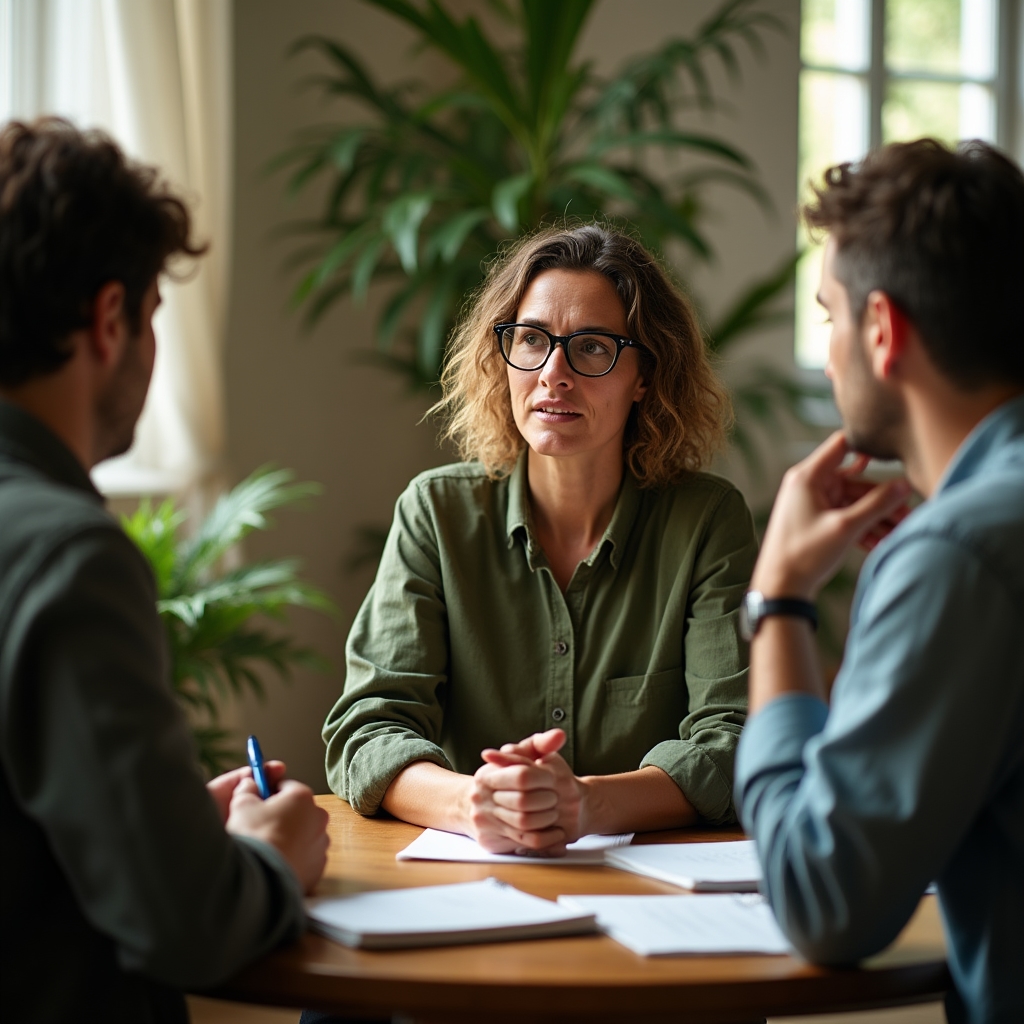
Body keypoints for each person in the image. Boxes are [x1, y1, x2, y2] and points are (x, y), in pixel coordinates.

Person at [0, 118, 329, 1024]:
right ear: (111, 320)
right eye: (152, 318)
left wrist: (173, 827)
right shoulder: (67, 555)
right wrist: (270, 854)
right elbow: (188, 925)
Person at [323, 224, 759, 855]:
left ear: (644, 374)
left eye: (591, 348)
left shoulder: (708, 522)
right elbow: (369, 727)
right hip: (468, 880)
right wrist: (475, 803)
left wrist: (587, 804)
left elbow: (737, 737)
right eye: (531, 340)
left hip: (650, 892)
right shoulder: (436, 513)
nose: (553, 374)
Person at [734, 139, 1024, 1023]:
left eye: (828, 316)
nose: (826, 355)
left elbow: (826, 901)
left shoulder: (959, 554)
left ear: (883, 331)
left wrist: (779, 602)